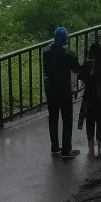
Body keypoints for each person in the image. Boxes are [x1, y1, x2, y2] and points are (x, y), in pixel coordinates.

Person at [42, 27, 81, 158]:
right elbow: (77, 69)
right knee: (67, 119)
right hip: (64, 90)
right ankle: (66, 150)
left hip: (50, 89)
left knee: (53, 118)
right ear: (65, 39)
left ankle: (54, 147)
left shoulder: (46, 51)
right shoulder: (68, 54)